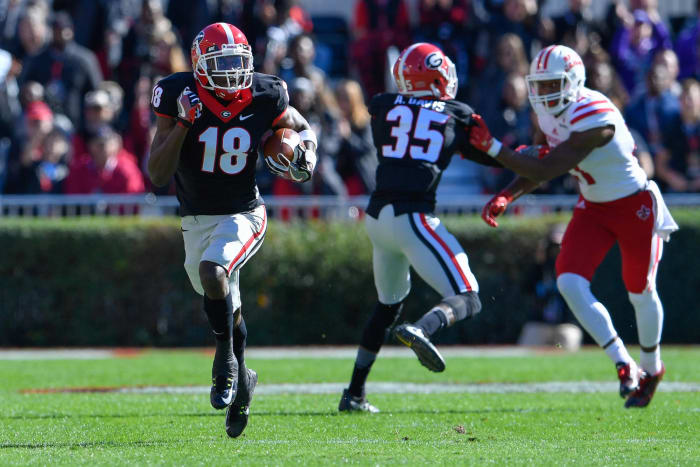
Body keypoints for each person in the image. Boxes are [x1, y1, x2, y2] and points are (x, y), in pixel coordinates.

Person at [469, 45, 678, 408]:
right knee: (568, 280)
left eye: (553, 84)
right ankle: (622, 363)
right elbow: (538, 159)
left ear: (574, 81)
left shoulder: (595, 114)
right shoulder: (548, 113)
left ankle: (651, 367)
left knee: (639, 291)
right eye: (540, 85)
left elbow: (549, 169)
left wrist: (491, 147)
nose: (545, 93)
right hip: (594, 206)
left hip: (633, 205)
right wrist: (509, 194)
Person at [147, 22, 317, 437]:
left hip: (244, 213)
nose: (230, 72)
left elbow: (301, 126)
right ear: (199, 64)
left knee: (214, 273)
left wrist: (305, 153)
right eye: (220, 63)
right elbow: (156, 173)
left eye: (237, 63)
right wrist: (185, 124)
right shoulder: (176, 93)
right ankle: (244, 382)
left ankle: (223, 359)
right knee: (224, 301)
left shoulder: (267, 92)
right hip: (195, 218)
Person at [339, 43, 503, 413]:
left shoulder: (383, 106)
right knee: (468, 296)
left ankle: (354, 393)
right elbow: (484, 153)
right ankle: (424, 329)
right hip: (413, 217)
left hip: (378, 217)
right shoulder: (454, 112)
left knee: (386, 306)